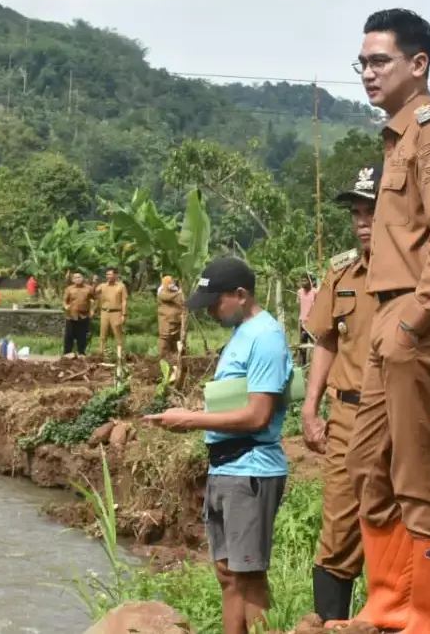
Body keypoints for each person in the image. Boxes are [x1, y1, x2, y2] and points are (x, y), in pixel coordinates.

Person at [342, 9, 430, 633]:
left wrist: (411, 322)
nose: (368, 72)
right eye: (363, 62)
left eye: (380, 61)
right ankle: (389, 601)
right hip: (390, 312)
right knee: (367, 462)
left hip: (424, 317)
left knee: (416, 470)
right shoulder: (397, 137)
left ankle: (429, 616)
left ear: (417, 64)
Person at [143, 256, 292, 634]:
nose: (209, 310)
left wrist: (190, 420)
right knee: (227, 574)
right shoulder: (241, 333)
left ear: (240, 295)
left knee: (250, 576)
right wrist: (191, 416)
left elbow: (258, 415)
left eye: (215, 302)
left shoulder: (266, 337)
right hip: (225, 467)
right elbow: (233, 403)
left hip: (251, 470)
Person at [300, 165, 380, 623]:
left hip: (397, 418)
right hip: (347, 418)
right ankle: (330, 625)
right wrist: (310, 408)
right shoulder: (342, 273)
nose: (362, 221)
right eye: (356, 212)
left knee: (400, 525)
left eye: (372, 210)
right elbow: (326, 340)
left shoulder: (418, 274)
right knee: (339, 529)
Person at [96, 267, 128, 356]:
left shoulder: (121, 286)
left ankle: (120, 355)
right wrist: (94, 282)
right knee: (103, 334)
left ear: (116, 275)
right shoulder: (102, 286)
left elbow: (124, 301)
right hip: (105, 312)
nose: (108, 276)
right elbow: (94, 292)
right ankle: (102, 353)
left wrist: (124, 314)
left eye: (110, 274)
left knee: (118, 335)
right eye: (107, 274)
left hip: (116, 312)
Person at [63, 272, 95, 357]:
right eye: (76, 278)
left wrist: (92, 310)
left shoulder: (89, 288)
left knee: (82, 335)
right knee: (69, 334)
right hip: (71, 315)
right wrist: (66, 306)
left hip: (84, 314)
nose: (78, 279)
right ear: (73, 280)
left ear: (83, 278)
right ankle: (67, 352)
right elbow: (65, 301)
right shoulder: (69, 289)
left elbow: (95, 300)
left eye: (79, 277)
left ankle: (81, 352)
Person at [156, 276, 187, 360]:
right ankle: (163, 357)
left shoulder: (176, 291)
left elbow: (182, 301)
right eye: (170, 282)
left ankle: (178, 357)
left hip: (178, 320)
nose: (172, 284)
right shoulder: (161, 292)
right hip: (166, 321)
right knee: (165, 339)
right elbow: (167, 297)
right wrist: (178, 293)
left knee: (178, 340)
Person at [297, 275, 317, 367]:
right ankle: (303, 365)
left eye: (305, 280)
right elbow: (299, 307)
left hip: (312, 322)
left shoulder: (315, 292)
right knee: (302, 346)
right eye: (302, 281)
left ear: (310, 282)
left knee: (315, 344)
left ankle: (314, 365)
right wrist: (300, 321)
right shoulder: (299, 292)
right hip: (302, 322)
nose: (303, 283)